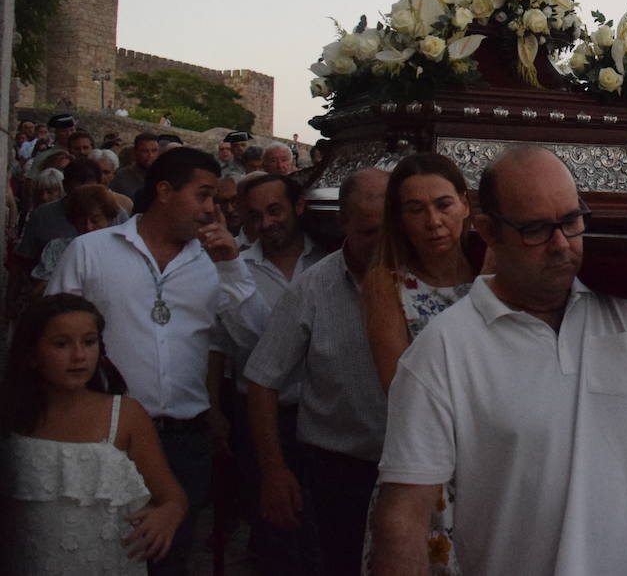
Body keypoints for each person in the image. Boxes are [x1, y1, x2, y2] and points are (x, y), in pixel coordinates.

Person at [369, 145, 627, 575]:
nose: (561, 245)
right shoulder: (440, 352)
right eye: (535, 229)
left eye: (571, 221)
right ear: (488, 230)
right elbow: (402, 521)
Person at [45, 146, 262, 576]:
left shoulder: (217, 262)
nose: (212, 209)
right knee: (97, 557)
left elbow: (255, 340)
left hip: (184, 442)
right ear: (164, 191)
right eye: (203, 195)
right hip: (102, 438)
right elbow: (48, 336)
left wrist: (232, 269)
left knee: (169, 561)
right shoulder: (91, 251)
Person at [245, 169, 390, 576]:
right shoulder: (312, 288)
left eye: (390, 229)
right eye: (369, 231)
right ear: (344, 223)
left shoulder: (424, 278)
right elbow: (262, 379)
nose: (383, 243)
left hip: (415, 466)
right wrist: (274, 471)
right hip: (340, 474)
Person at [0, 294, 188, 574]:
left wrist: (167, 515)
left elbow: (171, 495)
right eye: (61, 344)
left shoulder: (124, 416)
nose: (79, 356)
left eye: (89, 342)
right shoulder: (12, 419)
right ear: (32, 355)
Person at [359, 153, 478, 574]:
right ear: (400, 219)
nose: (433, 221)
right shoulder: (387, 281)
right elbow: (399, 388)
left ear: (464, 204)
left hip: (495, 459)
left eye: (443, 204)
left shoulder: (493, 269)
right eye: (416, 209)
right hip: (430, 467)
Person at [212, 173, 327, 575]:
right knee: (274, 525)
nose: (266, 223)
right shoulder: (236, 265)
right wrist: (215, 408)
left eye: (275, 211)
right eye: (256, 215)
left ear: (299, 207)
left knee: (322, 529)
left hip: (320, 416)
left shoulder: (328, 260)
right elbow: (245, 342)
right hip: (262, 419)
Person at [31, 183, 122, 299]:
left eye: (95, 220)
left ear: (109, 219)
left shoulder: (120, 249)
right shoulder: (57, 248)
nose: (88, 227)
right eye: (82, 222)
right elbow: (41, 291)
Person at [112, 133, 160, 200]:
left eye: (154, 151)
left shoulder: (165, 175)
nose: (150, 155)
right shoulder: (122, 177)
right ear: (135, 151)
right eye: (144, 151)